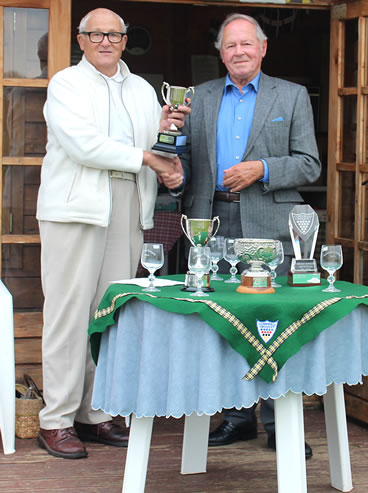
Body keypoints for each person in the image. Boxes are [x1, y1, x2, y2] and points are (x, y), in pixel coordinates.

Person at [163, 13, 320, 459]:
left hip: (269, 225)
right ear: (220, 52)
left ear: (263, 48)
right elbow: (187, 163)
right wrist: (174, 175)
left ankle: (277, 423)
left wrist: (263, 169)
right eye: (230, 46)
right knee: (218, 322)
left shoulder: (289, 97)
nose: (239, 52)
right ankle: (235, 418)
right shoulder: (201, 98)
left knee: (270, 322)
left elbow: (310, 163)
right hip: (210, 222)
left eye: (247, 44)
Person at [36, 8, 186, 459]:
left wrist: (166, 137)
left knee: (109, 315)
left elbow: (151, 146)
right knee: (68, 315)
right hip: (75, 208)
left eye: (114, 34)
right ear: (80, 40)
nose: (106, 41)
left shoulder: (141, 89)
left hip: (128, 206)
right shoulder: (65, 84)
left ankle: (95, 414)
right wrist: (149, 158)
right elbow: (83, 145)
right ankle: (56, 419)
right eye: (96, 34)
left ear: (125, 40)